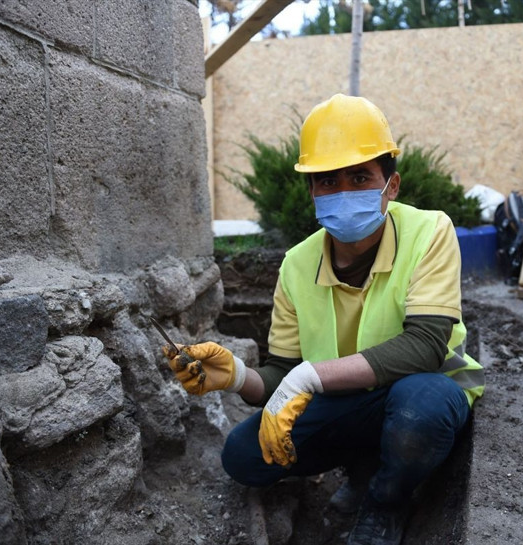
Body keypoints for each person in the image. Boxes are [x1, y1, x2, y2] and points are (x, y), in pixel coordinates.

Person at [164, 93, 485, 545]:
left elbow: (426, 344)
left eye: (360, 178)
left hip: (424, 389)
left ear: (390, 187)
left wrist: (311, 376)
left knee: (420, 408)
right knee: (242, 455)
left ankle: (387, 501)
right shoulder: (297, 265)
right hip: (348, 400)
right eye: (327, 181)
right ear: (312, 191)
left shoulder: (429, 232)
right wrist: (237, 377)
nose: (343, 192)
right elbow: (282, 373)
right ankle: (363, 468)